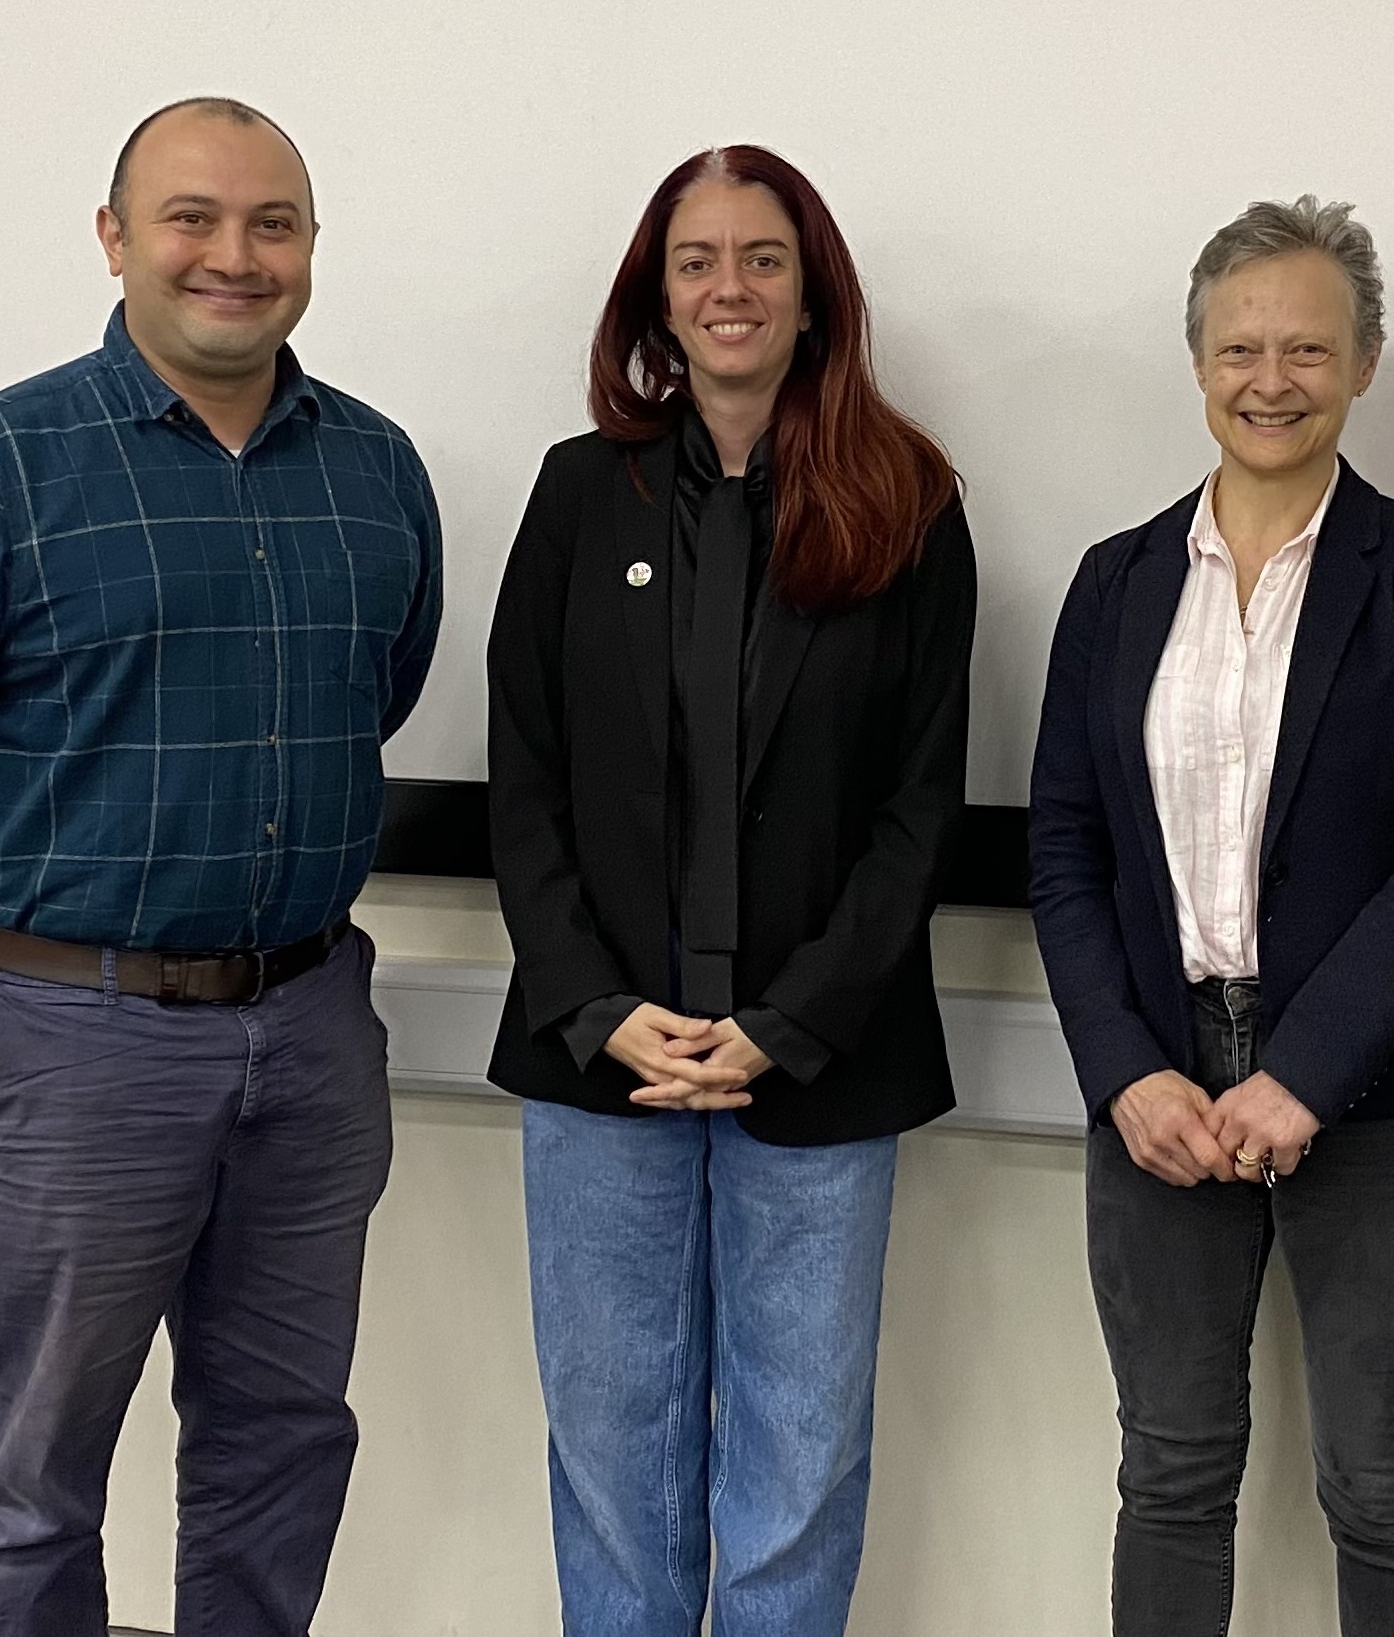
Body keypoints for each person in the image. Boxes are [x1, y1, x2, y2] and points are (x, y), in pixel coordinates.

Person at [0, 97, 443, 1636]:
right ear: (114, 239)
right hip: (62, 1035)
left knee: (282, 1441)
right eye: (192, 219)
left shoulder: (373, 469)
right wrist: (3, 893)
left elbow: (380, 692)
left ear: (308, 249)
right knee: (38, 1474)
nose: (234, 256)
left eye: (272, 224)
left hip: (305, 1032)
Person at [483, 144, 974, 1637]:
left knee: (799, 1461)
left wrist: (786, 1019)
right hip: (601, 1060)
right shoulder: (582, 495)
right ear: (658, 294)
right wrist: (598, 1002)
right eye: (696, 261)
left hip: (819, 1063)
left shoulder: (907, 496)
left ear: (812, 292)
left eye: (760, 258)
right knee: (612, 1453)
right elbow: (524, 775)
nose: (728, 288)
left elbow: (919, 802)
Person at [1028, 195, 1394, 1637]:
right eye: (1238, 344)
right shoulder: (1116, 583)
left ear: (1364, 363)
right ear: (1194, 362)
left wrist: (1305, 1072)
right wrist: (1122, 1071)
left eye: (1309, 345)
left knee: (1376, 1481)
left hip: (1371, 1098)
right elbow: (1061, 843)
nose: (1270, 378)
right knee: (1169, 1471)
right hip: (1160, 1090)